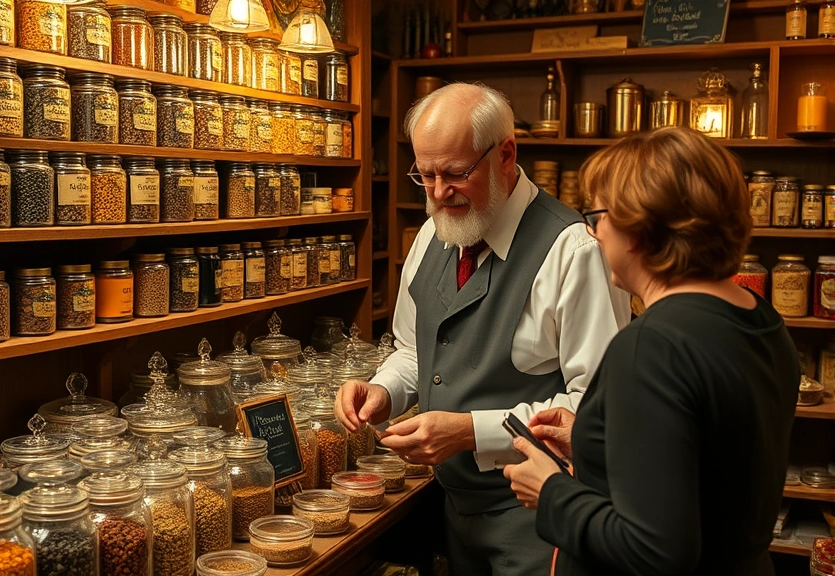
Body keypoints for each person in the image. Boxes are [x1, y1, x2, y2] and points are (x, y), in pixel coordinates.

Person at [334, 82, 630, 575]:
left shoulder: (574, 250)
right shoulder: (432, 233)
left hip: (538, 516)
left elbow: (598, 410)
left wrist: (471, 432)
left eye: (455, 173)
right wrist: (384, 390)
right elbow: (414, 350)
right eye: (425, 175)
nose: (437, 193)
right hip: (454, 507)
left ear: (506, 154)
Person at [503, 127, 799, 576]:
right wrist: (597, 440)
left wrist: (551, 492)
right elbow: (709, 462)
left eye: (597, 216)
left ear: (638, 228)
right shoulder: (759, 318)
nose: (593, 232)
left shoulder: (653, 345)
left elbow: (655, 551)